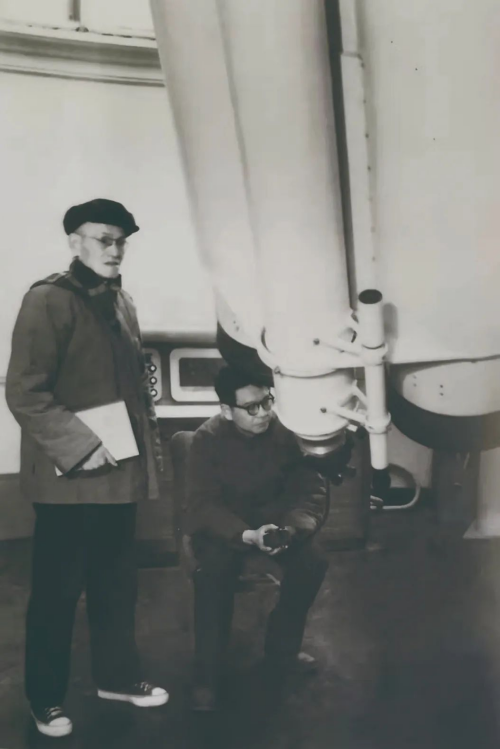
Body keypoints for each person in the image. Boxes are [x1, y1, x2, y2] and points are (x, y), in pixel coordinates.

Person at [6, 198, 168, 738]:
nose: (115, 250)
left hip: (118, 475)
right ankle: (45, 699)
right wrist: (81, 445)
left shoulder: (121, 301)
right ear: (75, 242)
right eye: (104, 239)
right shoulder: (47, 300)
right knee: (56, 595)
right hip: (69, 480)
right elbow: (24, 392)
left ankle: (116, 678)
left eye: (122, 241)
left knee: (115, 586)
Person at [186, 366, 330, 711]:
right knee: (213, 574)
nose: (264, 412)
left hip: (279, 527)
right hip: (226, 530)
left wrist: (290, 530)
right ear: (226, 410)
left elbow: (311, 492)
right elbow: (202, 505)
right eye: (252, 407)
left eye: (267, 401)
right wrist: (245, 534)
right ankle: (207, 674)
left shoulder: (288, 432)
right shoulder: (206, 440)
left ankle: (283, 651)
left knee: (313, 562)